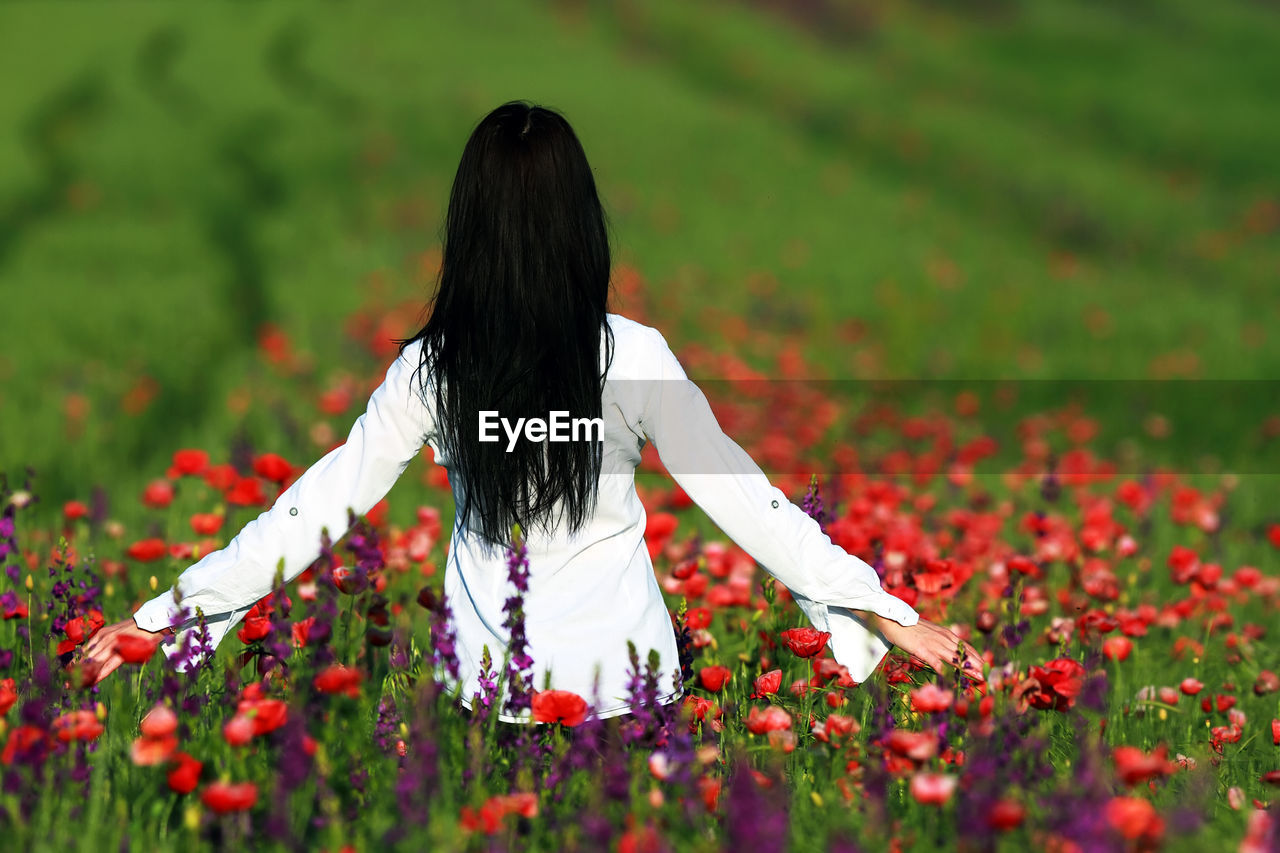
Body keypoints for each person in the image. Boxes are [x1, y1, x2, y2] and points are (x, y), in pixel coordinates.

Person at [83, 100, 983, 721]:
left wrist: (169, 613)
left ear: (468, 227)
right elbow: (744, 499)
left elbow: (317, 507)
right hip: (634, 701)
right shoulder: (631, 356)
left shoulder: (435, 369)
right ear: (580, 222)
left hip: (488, 701)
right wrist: (884, 609)